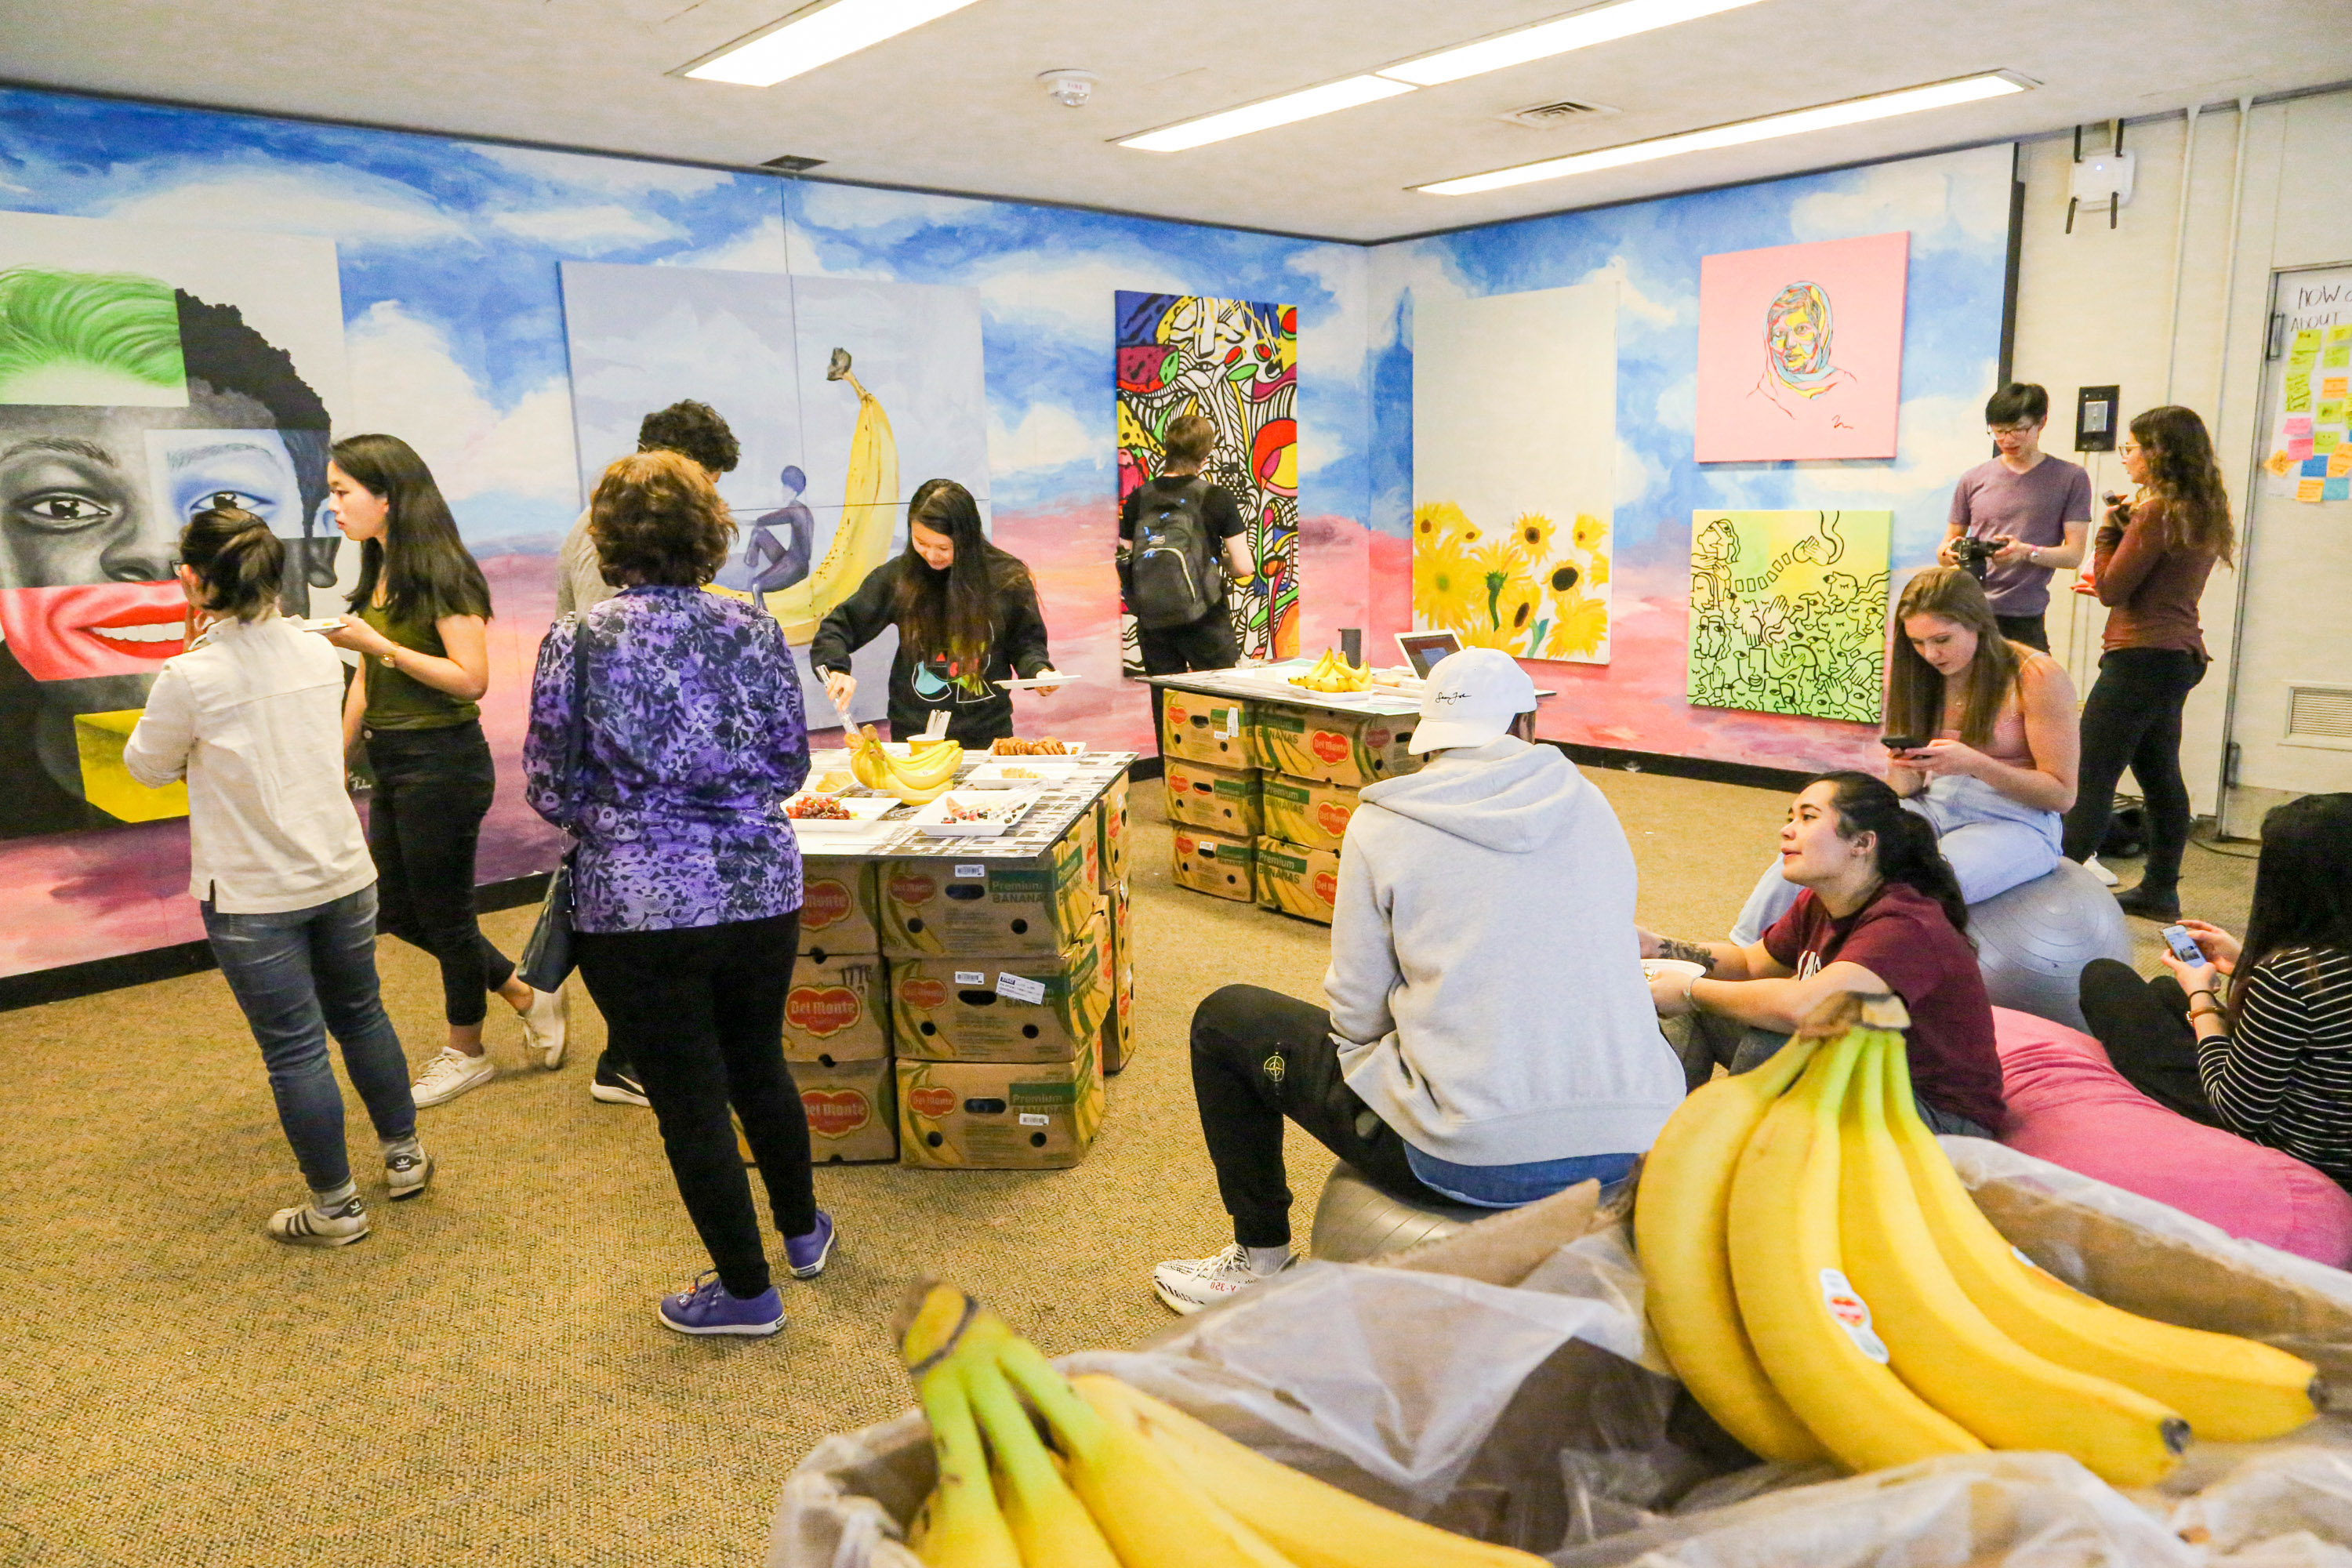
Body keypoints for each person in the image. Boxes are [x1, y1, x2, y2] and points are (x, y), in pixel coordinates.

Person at [1152, 649, 1686, 1314]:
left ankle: (1260, 1262)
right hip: (1640, 1149)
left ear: (1428, 734)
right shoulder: (1593, 803)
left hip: (1470, 1158)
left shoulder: (1384, 822)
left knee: (1225, 1018)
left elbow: (1355, 1008)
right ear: (1528, 726)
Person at [524, 448, 831, 1336]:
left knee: (690, 1097)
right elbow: (789, 762)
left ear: (607, 538)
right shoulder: (756, 626)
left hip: (636, 903)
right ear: (710, 532)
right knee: (760, 1061)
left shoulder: (580, 638)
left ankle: (745, 1292)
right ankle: (804, 1232)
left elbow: (549, 784)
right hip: (759, 883)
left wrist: (626, 815)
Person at [122, 506, 430, 1247]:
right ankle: (406, 1158)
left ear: (192, 581)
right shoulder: (316, 651)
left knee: (294, 1047)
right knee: (362, 1014)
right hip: (344, 873)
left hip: (253, 896)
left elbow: (145, 766)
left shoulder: (189, 676)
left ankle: (336, 1209)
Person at [0, 266, 339, 840]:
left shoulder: (348, 697)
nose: (157, 552)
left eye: (224, 499)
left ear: (320, 543)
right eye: (62, 507)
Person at [322, 434, 566, 1108]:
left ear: (388, 498)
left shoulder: (444, 573)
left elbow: (471, 680)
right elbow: (366, 681)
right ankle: (523, 991)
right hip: (395, 760)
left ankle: (467, 1050)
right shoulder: (376, 570)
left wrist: (379, 643)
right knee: (396, 909)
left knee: (447, 915)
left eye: (343, 491)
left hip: (444, 763)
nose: (334, 505)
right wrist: (336, 758)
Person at [553, 401, 739, 1108]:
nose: (714, 500)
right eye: (709, 480)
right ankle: (630, 1062)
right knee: (651, 932)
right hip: (638, 793)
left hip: (641, 794)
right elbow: (627, 677)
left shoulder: (610, 530)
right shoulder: (615, 550)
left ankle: (639, 1056)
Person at [1730, 568, 2078, 945]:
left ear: (1978, 623)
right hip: (1935, 803)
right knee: (1814, 851)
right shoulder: (1922, 673)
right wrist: (1902, 769)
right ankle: (1737, 956)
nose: (1931, 654)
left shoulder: (2036, 675)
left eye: (1942, 639)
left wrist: (1975, 764)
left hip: (2016, 820)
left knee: (1913, 884)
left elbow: (2061, 795)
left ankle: (1843, 971)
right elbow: (1907, 788)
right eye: (1918, 642)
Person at [1650, 771, 2006, 1137]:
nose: (1787, 830)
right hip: (1860, 1074)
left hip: (1935, 1116)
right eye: (1790, 818)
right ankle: (1654, 1134)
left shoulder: (1907, 924)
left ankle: (1727, 1156)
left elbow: (1807, 1009)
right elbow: (1750, 964)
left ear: (1863, 842)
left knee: (1772, 1040)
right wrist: (1657, 947)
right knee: (1688, 995)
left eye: (1808, 817)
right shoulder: (1821, 901)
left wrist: (1691, 992)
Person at [2078, 793, 2352, 1185]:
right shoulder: (2313, 967)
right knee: (2162, 994)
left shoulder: (2288, 976)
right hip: (2332, 1128)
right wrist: (2245, 965)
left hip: (2300, 1155)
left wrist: (2201, 995)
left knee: (2107, 979)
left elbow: (2234, 1110)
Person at [2060, 405, 2236, 923]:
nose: (2127, 458)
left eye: (2132, 448)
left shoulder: (2157, 512)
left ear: (2159, 452)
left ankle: (2058, 893)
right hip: (2178, 656)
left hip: (2140, 657)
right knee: (2160, 776)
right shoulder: (2198, 510)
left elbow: (2112, 588)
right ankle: (2160, 891)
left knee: (2090, 772)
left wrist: (2110, 531)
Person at [810, 477, 1062, 746]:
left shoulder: (1006, 578)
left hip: (987, 734)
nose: (931, 555)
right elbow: (836, 629)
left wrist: (1039, 671)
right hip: (916, 735)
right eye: (921, 543)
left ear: (967, 538)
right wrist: (836, 669)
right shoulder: (899, 577)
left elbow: (1026, 644)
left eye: (943, 548)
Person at [1938, 383, 2093, 653]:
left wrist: (2024, 552)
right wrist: (1951, 553)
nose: (2008, 440)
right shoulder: (1973, 478)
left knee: (2033, 691)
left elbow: (2073, 556)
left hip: (2025, 616)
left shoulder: (2070, 478)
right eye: (1999, 432)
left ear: (2041, 422)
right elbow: (1945, 549)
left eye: (2019, 429)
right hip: (1970, 610)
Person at [556, 399, 741, 617]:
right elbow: (602, 635)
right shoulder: (610, 526)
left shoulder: (628, 521)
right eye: (704, 483)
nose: (711, 497)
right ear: (673, 470)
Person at [744, 464, 814, 597]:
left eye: (785, 487)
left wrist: (742, 521)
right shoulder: (800, 508)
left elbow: (764, 520)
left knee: (756, 585)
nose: (782, 491)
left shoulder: (795, 509)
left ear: (792, 490)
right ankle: (748, 575)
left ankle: (764, 619)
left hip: (796, 567)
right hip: (791, 558)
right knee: (758, 533)